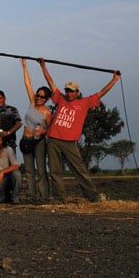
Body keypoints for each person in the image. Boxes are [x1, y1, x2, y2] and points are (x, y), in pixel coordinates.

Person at [39, 58, 121, 203]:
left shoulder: (84, 103)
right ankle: (59, 198)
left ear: (77, 92)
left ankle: (93, 196)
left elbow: (101, 92)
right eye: (67, 91)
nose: (69, 93)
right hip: (53, 139)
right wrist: (43, 65)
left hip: (70, 142)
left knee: (79, 170)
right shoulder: (60, 98)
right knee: (55, 171)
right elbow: (50, 81)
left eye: (71, 91)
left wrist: (114, 80)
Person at [20, 59, 52, 204]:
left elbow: (50, 129)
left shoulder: (47, 112)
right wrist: (24, 67)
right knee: (28, 170)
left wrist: (43, 131)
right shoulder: (32, 102)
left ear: (47, 99)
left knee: (40, 169)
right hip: (26, 140)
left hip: (38, 141)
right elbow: (28, 84)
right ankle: (31, 196)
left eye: (42, 97)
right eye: (38, 95)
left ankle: (44, 196)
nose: (38, 98)